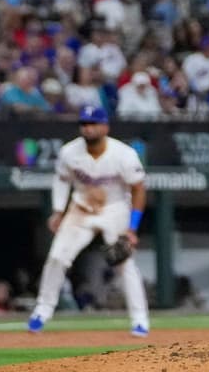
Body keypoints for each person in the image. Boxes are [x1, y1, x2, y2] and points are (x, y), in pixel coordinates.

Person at [28, 106, 149, 337]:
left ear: (105, 127)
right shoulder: (69, 152)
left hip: (115, 208)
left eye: (93, 123)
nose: (88, 128)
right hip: (81, 207)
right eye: (84, 124)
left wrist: (132, 228)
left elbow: (138, 189)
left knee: (124, 262)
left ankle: (140, 319)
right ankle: (42, 311)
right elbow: (62, 180)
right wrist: (57, 210)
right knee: (57, 257)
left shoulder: (124, 154)